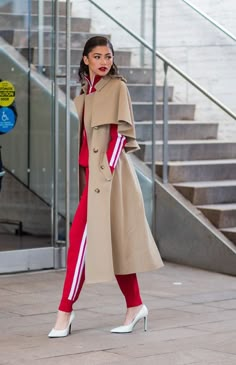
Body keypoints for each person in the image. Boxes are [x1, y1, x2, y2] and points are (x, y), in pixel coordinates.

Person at [48, 36, 163, 338]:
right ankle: (135, 306)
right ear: (85, 59)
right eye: (97, 56)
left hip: (108, 179)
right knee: (114, 242)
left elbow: (121, 135)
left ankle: (64, 311)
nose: (103, 61)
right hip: (95, 178)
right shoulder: (87, 91)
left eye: (108, 56)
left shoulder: (117, 87)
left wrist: (106, 171)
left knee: (79, 240)